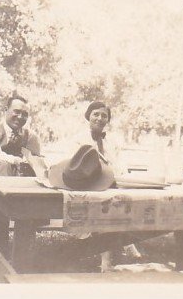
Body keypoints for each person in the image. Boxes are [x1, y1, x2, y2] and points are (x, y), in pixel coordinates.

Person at [64, 101, 140, 269]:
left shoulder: (112, 141)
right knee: (107, 205)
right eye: (95, 114)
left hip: (109, 182)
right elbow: (74, 165)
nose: (99, 118)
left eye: (104, 115)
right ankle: (108, 259)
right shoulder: (78, 139)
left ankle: (123, 242)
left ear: (108, 120)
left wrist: (122, 175)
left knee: (119, 199)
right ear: (88, 116)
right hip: (85, 182)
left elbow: (119, 164)